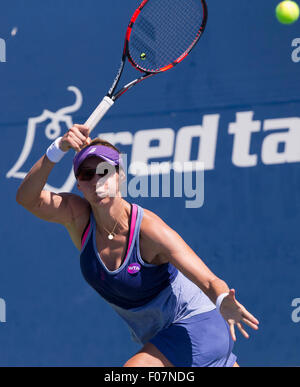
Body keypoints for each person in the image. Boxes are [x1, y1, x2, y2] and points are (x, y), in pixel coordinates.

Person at [16, 124, 259, 367]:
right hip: (164, 338)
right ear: (78, 184)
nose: (96, 180)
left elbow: (208, 280)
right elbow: (27, 198)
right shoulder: (77, 218)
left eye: (104, 170)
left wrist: (223, 299)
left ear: (120, 175)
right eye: (86, 175)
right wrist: (57, 148)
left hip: (197, 324)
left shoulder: (149, 231)